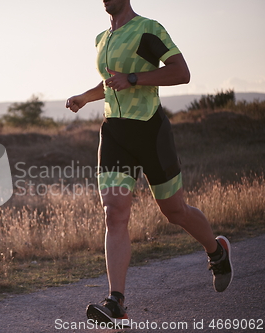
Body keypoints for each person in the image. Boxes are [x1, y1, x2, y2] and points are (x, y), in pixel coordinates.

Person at [66, 0, 233, 327]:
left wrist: (134, 78)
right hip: (115, 132)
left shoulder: (148, 29)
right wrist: (87, 97)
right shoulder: (102, 38)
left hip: (150, 132)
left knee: (174, 212)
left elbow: (181, 73)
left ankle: (216, 251)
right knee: (114, 212)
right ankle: (116, 303)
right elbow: (111, 83)